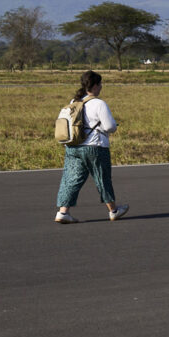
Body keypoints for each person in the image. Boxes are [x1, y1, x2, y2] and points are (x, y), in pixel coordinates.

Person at [54, 71, 129, 224]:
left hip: (73, 147)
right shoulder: (99, 103)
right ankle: (113, 210)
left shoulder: (74, 101)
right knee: (102, 179)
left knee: (70, 180)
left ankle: (63, 212)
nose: (101, 87)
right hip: (95, 147)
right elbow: (109, 127)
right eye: (100, 84)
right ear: (95, 85)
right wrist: (113, 127)